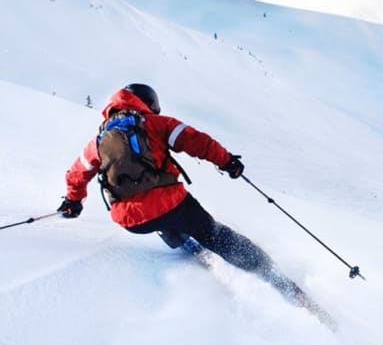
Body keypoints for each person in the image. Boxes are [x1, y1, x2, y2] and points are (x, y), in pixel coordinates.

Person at [58, 83, 293, 294]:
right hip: (172, 206)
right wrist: (227, 161)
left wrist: (73, 202)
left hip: (132, 222)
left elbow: (77, 174)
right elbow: (197, 141)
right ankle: (268, 271)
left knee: (159, 220)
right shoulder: (156, 124)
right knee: (213, 233)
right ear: (148, 103)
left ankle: (178, 239)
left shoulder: (98, 141)